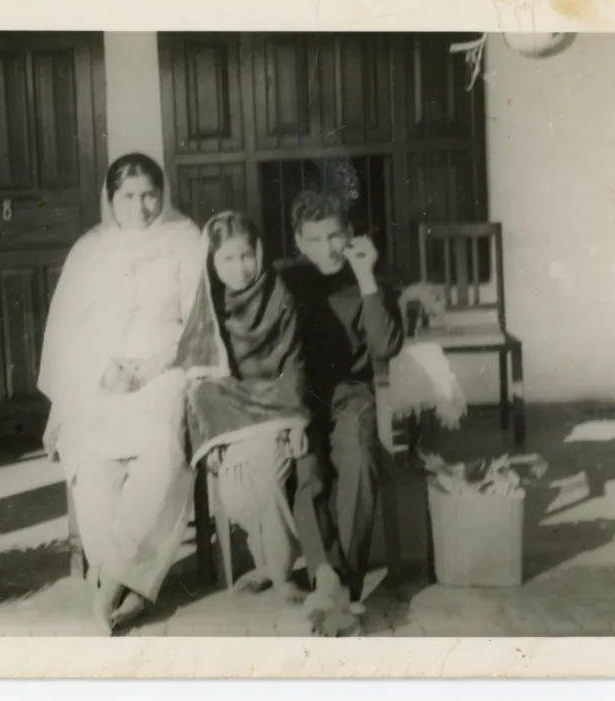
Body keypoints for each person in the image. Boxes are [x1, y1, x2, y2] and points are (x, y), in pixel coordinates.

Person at [37, 152, 203, 634]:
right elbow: (65, 330)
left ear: (163, 193)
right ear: (110, 199)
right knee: (90, 460)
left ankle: (110, 583)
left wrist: (155, 366)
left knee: (161, 449)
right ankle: (126, 581)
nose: (140, 206)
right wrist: (100, 371)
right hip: (101, 376)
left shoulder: (185, 239)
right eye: (127, 196)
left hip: (165, 369)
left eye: (149, 193)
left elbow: (198, 321)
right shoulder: (89, 249)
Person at [280, 190, 406, 636]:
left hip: (353, 394)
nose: (327, 248)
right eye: (314, 239)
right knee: (306, 465)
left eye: (335, 235)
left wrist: (367, 277)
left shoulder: (369, 277)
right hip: (301, 399)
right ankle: (326, 577)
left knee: (358, 454)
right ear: (298, 240)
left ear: (351, 234)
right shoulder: (288, 282)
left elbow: (386, 347)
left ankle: (342, 587)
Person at [172, 211, 310, 604]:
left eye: (247, 255)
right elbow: (199, 379)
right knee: (234, 495)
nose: (241, 268)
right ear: (212, 263)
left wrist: (297, 420)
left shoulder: (278, 293)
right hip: (231, 415)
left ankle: (280, 572)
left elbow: (293, 361)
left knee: (267, 473)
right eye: (228, 259)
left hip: (276, 407)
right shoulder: (208, 306)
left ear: (260, 251)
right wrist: (210, 434)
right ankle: (264, 561)